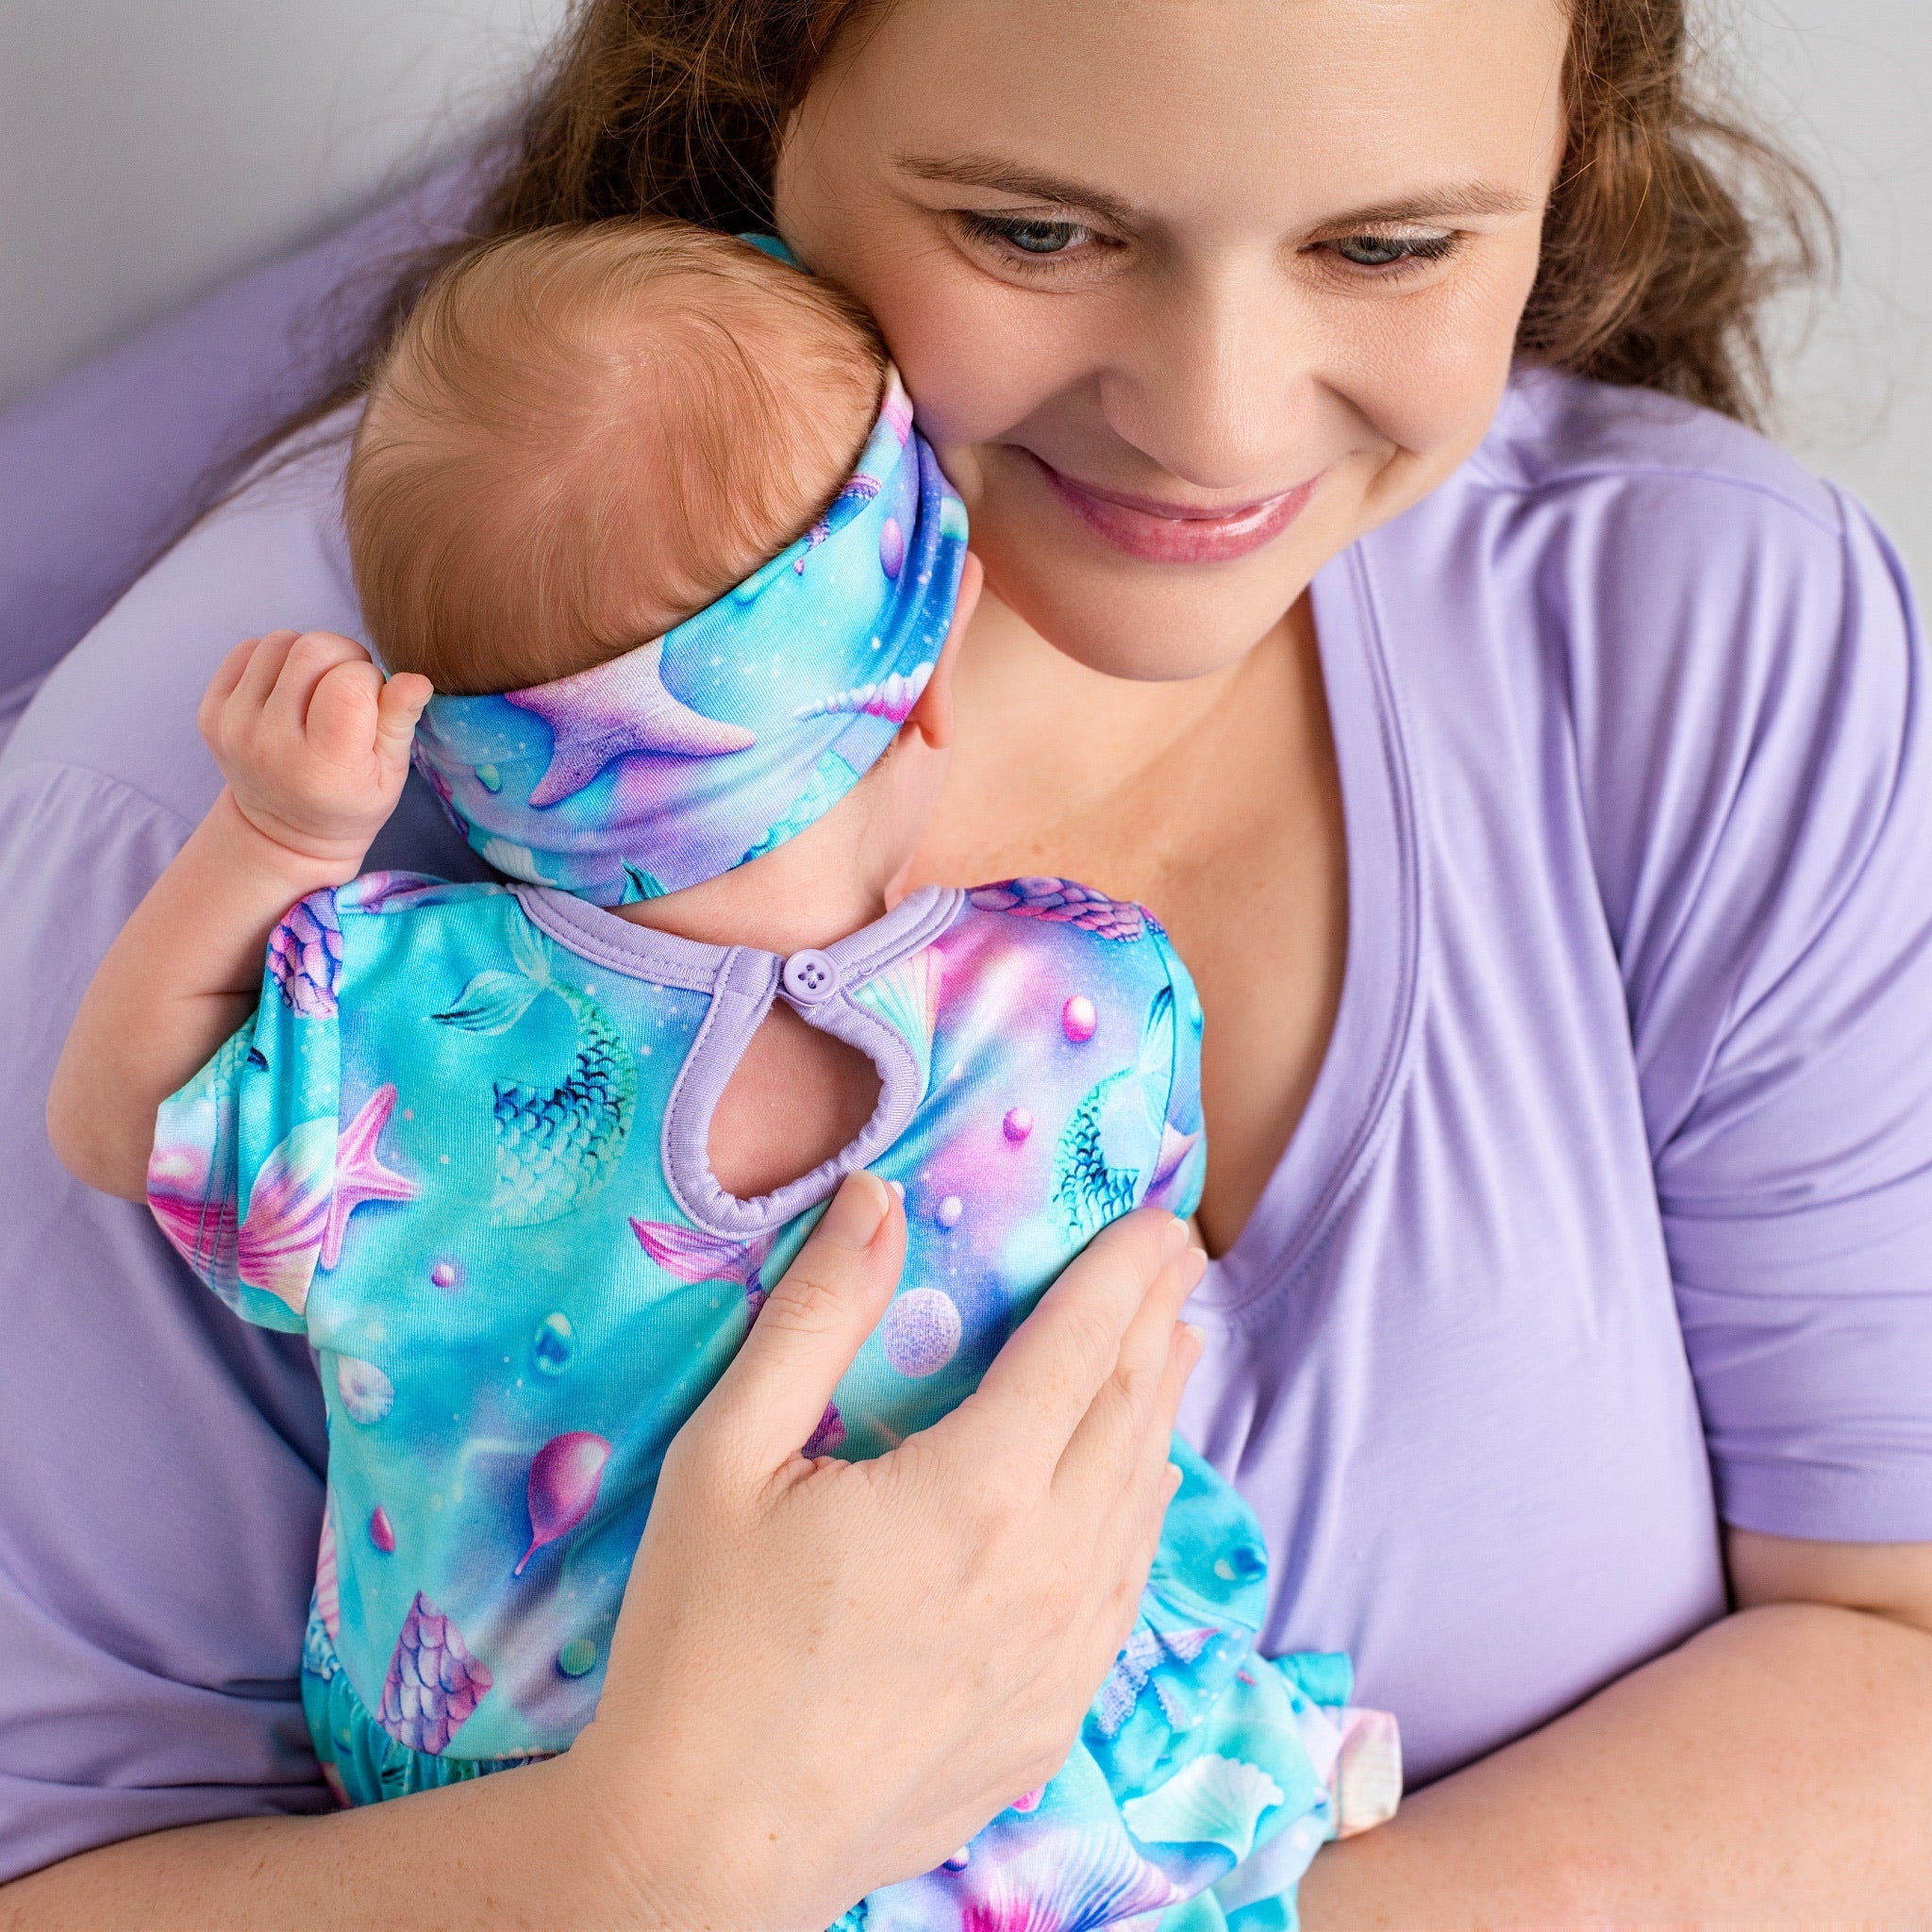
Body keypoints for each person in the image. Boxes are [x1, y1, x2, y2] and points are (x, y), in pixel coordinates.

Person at [3, 0, 1930, 1922]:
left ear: (1571, 156)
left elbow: (1895, 1653)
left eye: (1389, 245)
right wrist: (653, 1855)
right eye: (1035, 230)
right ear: (750, 84)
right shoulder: (230, 830)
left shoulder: (1715, 631)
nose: (1218, 420)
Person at [47, 217, 1395, 1923]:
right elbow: (1134, 1290)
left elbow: (113, 1124)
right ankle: (1272, 1767)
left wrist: (273, 836)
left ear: (462, 748)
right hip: (1018, 1786)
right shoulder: (1089, 997)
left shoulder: (384, 1036)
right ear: (929, 679)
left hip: (522, 1813)